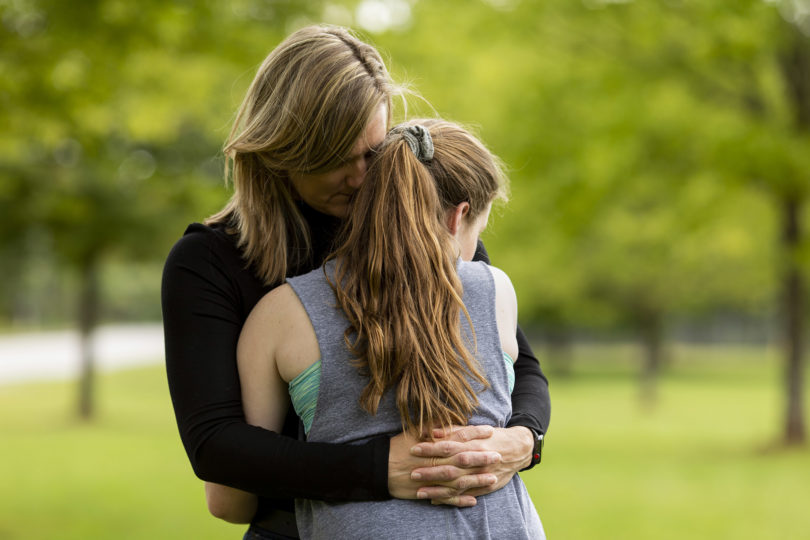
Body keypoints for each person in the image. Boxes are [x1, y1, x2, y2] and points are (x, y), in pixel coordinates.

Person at [161, 25, 550, 539]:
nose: (361, 176)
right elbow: (216, 445)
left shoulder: (422, 228)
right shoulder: (207, 263)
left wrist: (521, 440)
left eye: (371, 152)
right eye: (335, 159)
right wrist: (377, 468)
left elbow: (519, 366)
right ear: (280, 149)